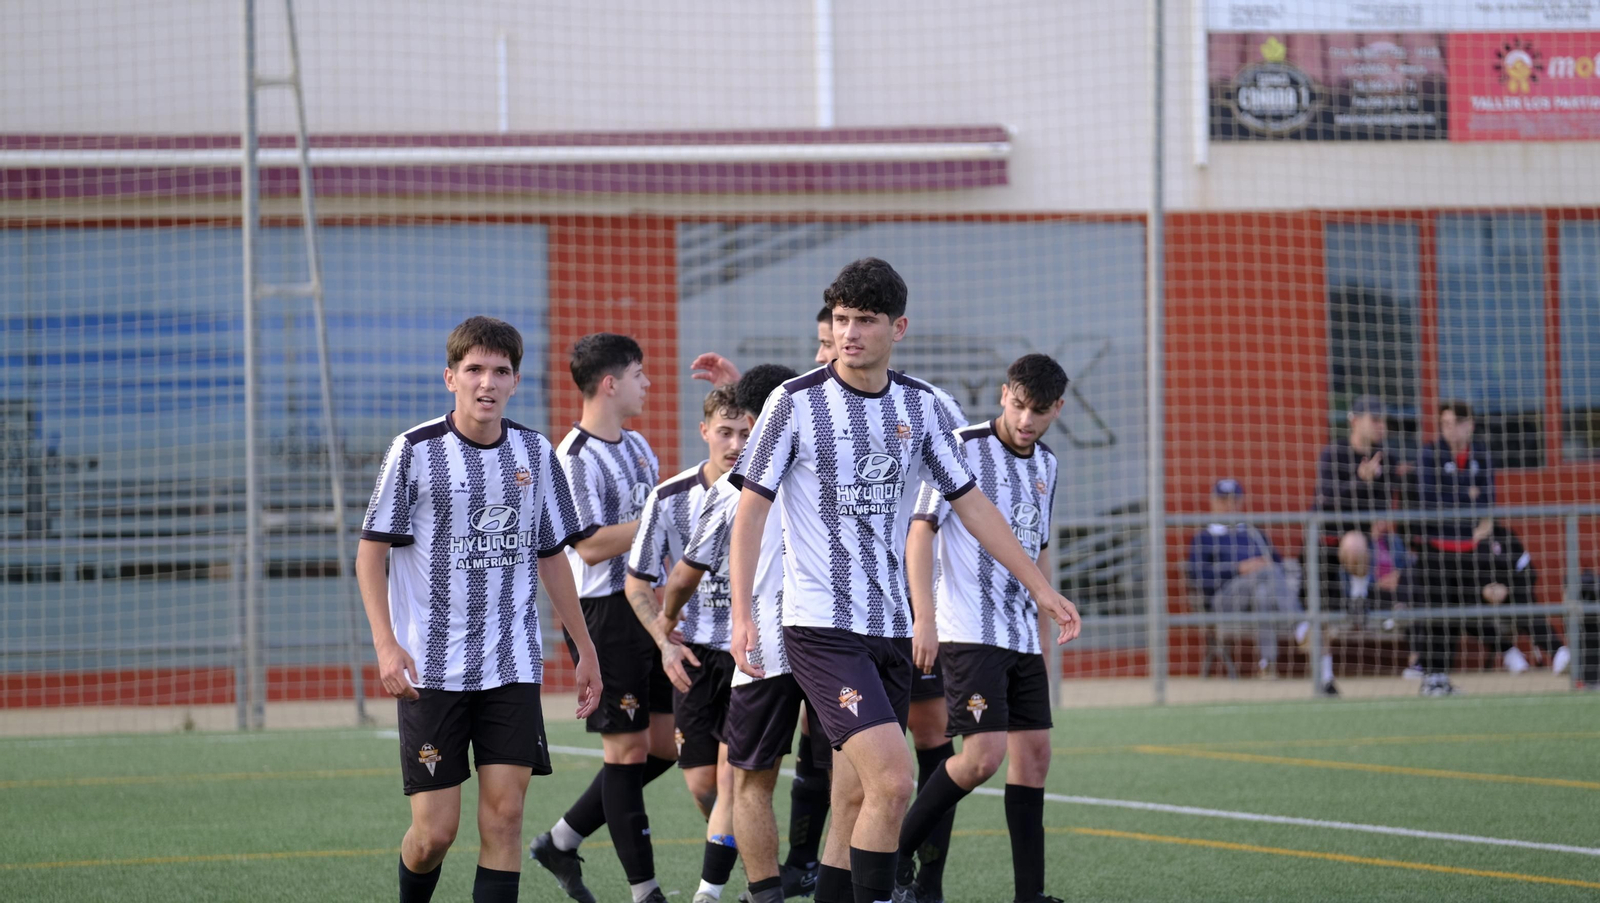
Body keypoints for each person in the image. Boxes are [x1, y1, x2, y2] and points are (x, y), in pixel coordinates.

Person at [727, 258, 1081, 903]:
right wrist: (743, 614)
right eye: (841, 319)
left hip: (891, 629)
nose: (849, 332)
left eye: (866, 320)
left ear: (899, 327)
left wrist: (1039, 587)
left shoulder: (921, 405)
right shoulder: (795, 402)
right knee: (893, 781)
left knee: (857, 796)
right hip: (821, 627)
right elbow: (750, 511)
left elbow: (972, 504)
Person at [692, 304, 969, 897]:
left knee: (831, 782)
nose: (836, 344)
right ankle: (768, 884)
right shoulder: (793, 421)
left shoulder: (840, 417)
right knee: (780, 780)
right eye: (830, 334)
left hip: (832, 633)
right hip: (790, 635)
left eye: (850, 328)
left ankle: (798, 881)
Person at [356, 316, 601, 903]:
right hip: (430, 670)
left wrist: (584, 647)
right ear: (451, 378)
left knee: (505, 819)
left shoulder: (535, 452)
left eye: (500, 371)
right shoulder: (415, 451)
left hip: (511, 665)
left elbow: (552, 556)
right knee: (434, 835)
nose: (487, 382)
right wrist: (386, 645)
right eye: (474, 370)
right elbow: (370, 554)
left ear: (515, 381)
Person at [895, 353, 1070, 903]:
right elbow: (920, 532)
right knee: (981, 758)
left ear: (1057, 409)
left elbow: (1039, 549)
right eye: (1018, 405)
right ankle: (891, 854)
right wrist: (924, 617)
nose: (1026, 420)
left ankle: (1029, 896)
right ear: (1003, 394)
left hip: (1020, 636)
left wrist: (1043, 630)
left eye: (1039, 411)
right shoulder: (959, 446)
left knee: (1035, 757)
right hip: (968, 630)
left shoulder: (1048, 465)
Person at [660, 364, 823, 903]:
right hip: (835, 645)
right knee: (853, 780)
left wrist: (665, 622)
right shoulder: (829, 467)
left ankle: (758, 892)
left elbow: (684, 575)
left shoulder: (733, 487)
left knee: (748, 783)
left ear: (753, 421)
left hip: (762, 650)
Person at [530, 333, 671, 903]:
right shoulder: (572, 457)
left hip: (646, 605)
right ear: (610, 384)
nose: (647, 384)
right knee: (627, 752)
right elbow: (587, 547)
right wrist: (662, 518)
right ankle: (646, 892)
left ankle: (561, 841)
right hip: (603, 613)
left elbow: (652, 538)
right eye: (639, 374)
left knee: (668, 745)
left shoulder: (638, 446)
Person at [623, 385, 750, 903]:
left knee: (733, 777)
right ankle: (755, 855)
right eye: (725, 432)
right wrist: (664, 641)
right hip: (692, 656)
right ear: (704, 432)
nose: (735, 444)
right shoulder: (670, 497)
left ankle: (709, 893)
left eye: (745, 433)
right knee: (702, 785)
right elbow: (637, 581)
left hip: (749, 655)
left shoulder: (769, 492)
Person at [1186, 479, 1320, 688]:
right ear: (1213, 502)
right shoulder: (1204, 537)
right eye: (1223, 500)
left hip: (1259, 598)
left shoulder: (1253, 533)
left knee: (1263, 593)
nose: (1229, 506)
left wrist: (1263, 566)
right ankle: (1302, 627)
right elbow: (1200, 578)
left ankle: (1267, 665)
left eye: (1234, 500)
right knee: (1265, 575)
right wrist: (1239, 568)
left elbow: (1277, 565)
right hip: (1224, 600)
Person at [1415, 401, 1495, 697]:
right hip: (1435, 547)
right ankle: (1430, 677)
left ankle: (1443, 677)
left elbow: (1487, 501)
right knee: (1434, 614)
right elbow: (1430, 500)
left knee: (1457, 616)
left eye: (1457, 423)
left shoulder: (1481, 455)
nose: (1451, 430)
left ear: (1469, 425)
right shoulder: (1429, 454)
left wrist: (1460, 496)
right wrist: (1467, 493)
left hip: (1469, 547)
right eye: (1445, 424)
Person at [1314, 395, 1400, 613]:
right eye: (1375, 420)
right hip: (1338, 540)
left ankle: (1390, 611)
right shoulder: (1334, 453)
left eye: (1384, 421)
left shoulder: (1386, 458)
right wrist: (1361, 480)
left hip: (1375, 537)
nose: (1382, 426)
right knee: (1355, 543)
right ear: (1355, 421)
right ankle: (1358, 598)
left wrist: (1380, 522)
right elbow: (1327, 500)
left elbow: (1384, 503)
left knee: (1408, 557)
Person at [1473, 524, 1570, 676]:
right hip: (1476, 602)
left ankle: (1560, 654)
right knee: (1460, 606)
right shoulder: (1461, 536)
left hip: (1511, 600)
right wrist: (1483, 591)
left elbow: (1528, 572)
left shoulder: (1505, 535)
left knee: (1524, 603)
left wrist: (1506, 589)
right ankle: (1508, 652)